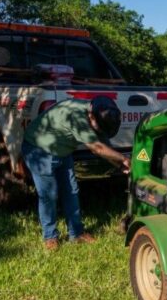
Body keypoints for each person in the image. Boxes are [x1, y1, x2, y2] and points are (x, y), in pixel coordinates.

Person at [21, 96, 131, 250]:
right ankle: (50, 236)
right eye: (98, 128)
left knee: (71, 191)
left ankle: (76, 233)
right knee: (49, 195)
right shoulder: (77, 116)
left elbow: (103, 147)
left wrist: (119, 165)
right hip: (39, 150)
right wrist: (124, 159)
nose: (98, 131)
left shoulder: (97, 114)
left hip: (63, 151)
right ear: (91, 115)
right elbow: (96, 148)